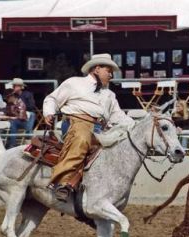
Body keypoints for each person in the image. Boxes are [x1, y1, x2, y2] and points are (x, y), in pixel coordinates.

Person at [43, 53, 135, 201]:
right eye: (109, 71)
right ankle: (62, 181)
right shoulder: (74, 83)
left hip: (99, 128)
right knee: (82, 138)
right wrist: (49, 112)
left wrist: (135, 125)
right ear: (97, 69)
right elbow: (52, 98)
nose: (111, 75)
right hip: (76, 123)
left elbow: (118, 116)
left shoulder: (109, 95)